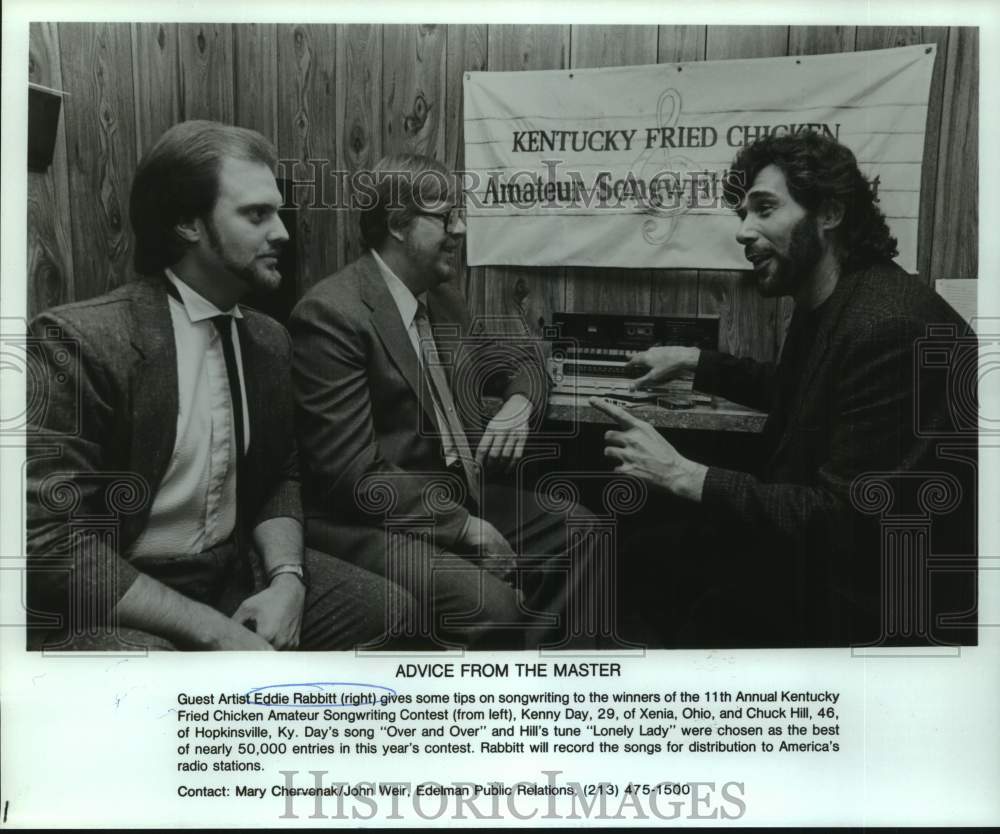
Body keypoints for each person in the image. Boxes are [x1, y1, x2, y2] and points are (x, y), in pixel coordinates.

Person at [26, 120, 409, 651]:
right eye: (256, 215)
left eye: (278, 211)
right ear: (187, 223)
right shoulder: (80, 340)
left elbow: (280, 475)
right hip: (119, 595)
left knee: (392, 611)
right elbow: (52, 544)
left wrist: (288, 580)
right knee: (160, 675)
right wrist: (217, 636)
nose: (282, 232)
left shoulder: (268, 339)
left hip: (229, 574)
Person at [594, 131, 976, 648]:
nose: (745, 232)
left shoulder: (888, 325)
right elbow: (805, 391)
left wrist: (687, 474)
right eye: (742, 215)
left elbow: (850, 523)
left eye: (765, 209)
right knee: (636, 547)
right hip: (825, 565)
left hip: (872, 603)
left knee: (654, 577)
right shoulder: (834, 297)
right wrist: (695, 361)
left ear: (830, 213)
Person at [290, 153, 611, 650]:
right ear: (398, 224)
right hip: (370, 521)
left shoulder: (442, 298)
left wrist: (520, 405)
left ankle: (545, 697)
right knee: (492, 606)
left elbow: (524, 361)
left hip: (453, 495)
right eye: (447, 217)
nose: (460, 230)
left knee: (585, 534)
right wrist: (463, 529)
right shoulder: (331, 315)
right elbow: (351, 477)